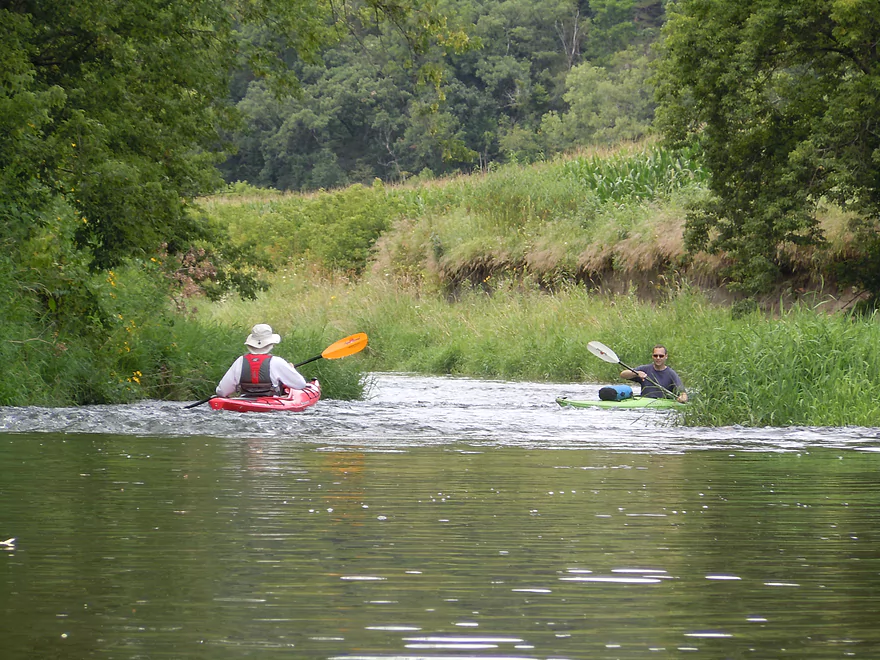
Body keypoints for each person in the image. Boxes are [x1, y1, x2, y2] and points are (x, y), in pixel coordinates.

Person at [216, 324, 309, 397]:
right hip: (272, 406)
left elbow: (222, 391)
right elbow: (300, 384)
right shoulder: (277, 362)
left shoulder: (240, 361)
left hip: (245, 404)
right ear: (271, 344)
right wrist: (291, 369)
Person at [620, 345, 688, 403]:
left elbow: (683, 393)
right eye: (655, 355)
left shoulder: (671, 374)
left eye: (661, 356)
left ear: (666, 356)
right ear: (652, 356)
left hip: (662, 405)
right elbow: (623, 375)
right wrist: (636, 374)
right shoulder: (644, 369)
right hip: (644, 404)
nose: (658, 358)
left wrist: (682, 398)